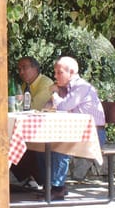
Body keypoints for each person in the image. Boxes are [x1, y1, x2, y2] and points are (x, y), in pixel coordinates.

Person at [41, 56, 106, 201]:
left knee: (60, 146)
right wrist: (57, 95)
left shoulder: (82, 87)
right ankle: (53, 185)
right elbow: (46, 108)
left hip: (94, 134)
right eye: (55, 72)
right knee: (46, 145)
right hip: (78, 131)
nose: (55, 76)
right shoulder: (68, 89)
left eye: (59, 72)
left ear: (71, 72)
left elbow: (63, 106)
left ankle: (57, 188)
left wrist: (55, 93)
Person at [10, 56, 54, 190]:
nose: (21, 72)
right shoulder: (24, 86)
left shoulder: (45, 83)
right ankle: (28, 179)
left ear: (35, 68)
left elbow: (34, 107)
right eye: (19, 69)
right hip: (30, 128)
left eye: (24, 68)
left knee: (13, 142)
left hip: (47, 129)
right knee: (7, 141)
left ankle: (41, 180)